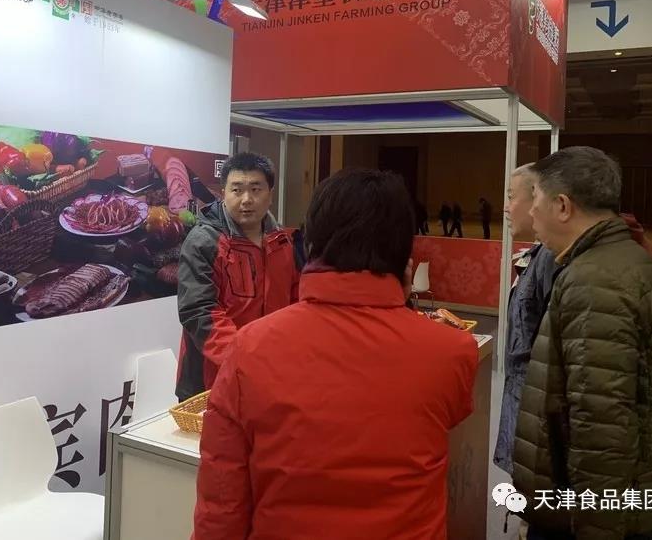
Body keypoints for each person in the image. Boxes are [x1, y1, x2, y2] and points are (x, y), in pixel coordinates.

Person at [193, 169, 478, 540]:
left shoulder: (248, 348)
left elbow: (222, 500)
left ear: (312, 245)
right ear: (404, 251)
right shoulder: (453, 351)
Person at [513, 146, 652, 539]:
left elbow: (601, 428)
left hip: (601, 517)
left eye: (536, 198)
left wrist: (596, 528)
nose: (531, 212)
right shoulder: (625, 260)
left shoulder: (595, 281)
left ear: (563, 206)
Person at [175, 152, 301, 402]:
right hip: (213, 376)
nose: (246, 199)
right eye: (237, 190)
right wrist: (242, 359)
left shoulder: (283, 241)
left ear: (270, 194)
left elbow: (295, 302)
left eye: (256, 189)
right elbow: (198, 310)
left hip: (270, 371)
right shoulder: (203, 242)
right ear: (223, 193)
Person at [493, 165, 557, 478]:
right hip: (524, 410)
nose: (506, 207)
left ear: (537, 200)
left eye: (511, 196)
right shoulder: (539, 254)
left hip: (537, 419)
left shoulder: (550, 259)